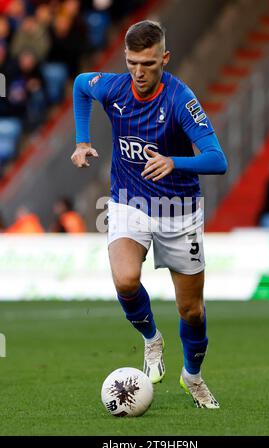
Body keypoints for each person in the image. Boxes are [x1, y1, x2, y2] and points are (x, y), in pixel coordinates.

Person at [72, 20, 227, 409]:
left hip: (179, 209)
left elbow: (217, 159)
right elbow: (78, 85)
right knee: (125, 281)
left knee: (190, 309)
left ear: (165, 59)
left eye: (148, 64)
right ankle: (151, 340)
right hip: (129, 200)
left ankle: (192, 377)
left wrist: (175, 162)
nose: (139, 73)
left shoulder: (180, 99)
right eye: (132, 63)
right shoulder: (113, 87)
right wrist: (81, 140)